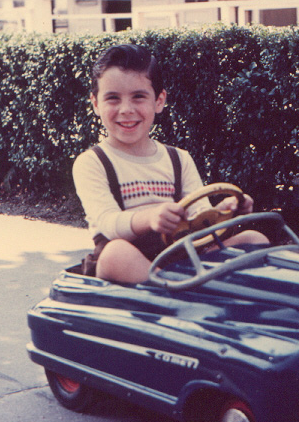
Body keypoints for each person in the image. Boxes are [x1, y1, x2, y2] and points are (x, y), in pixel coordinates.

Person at [73, 44, 268, 284]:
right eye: (112, 99)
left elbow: (199, 218)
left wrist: (224, 212)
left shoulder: (178, 159)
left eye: (138, 97)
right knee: (115, 254)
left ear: (159, 101)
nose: (126, 110)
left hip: (181, 256)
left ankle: (197, 288)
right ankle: (175, 292)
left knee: (254, 239)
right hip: (129, 262)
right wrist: (150, 217)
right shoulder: (93, 162)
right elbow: (108, 224)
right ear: (95, 104)